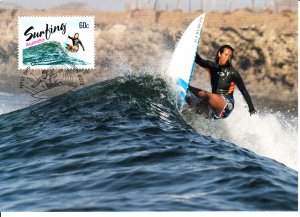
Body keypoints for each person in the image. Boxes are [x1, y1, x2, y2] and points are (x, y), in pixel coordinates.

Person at [187, 44, 256, 119]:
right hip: (214, 103)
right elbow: (199, 60)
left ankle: (187, 87)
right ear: (219, 54)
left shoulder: (233, 73)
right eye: (225, 55)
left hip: (226, 104)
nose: (227, 58)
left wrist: (251, 108)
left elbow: (244, 91)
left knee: (206, 95)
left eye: (230, 56)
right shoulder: (212, 67)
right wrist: (192, 48)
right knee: (194, 103)